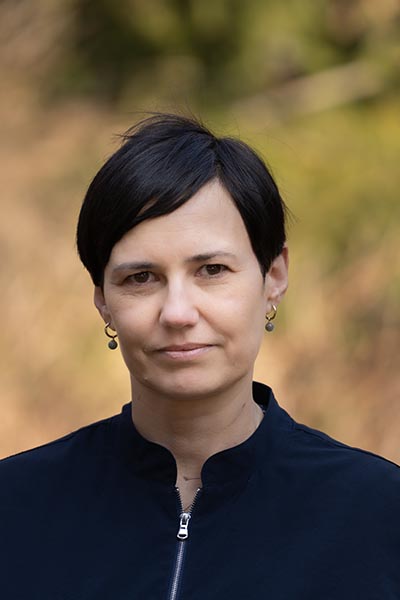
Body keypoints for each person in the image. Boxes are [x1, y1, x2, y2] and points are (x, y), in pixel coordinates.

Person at [0, 114, 399, 600]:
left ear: (273, 276)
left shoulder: (377, 512)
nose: (178, 312)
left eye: (211, 270)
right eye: (141, 278)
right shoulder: (15, 505)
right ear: (102, 298)